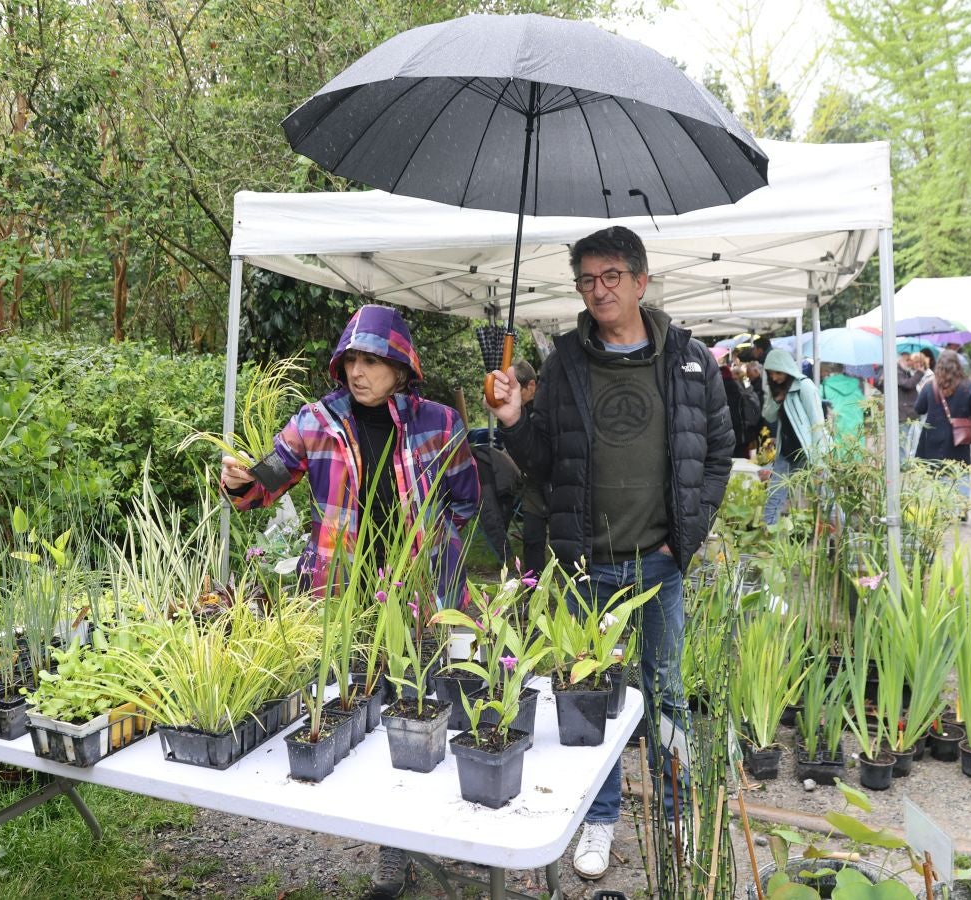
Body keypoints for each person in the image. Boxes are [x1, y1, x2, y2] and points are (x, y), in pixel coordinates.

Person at [486, 225, 732, 880]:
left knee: (667, 692)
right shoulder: (564, 363)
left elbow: (718, 452)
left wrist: (691, 530)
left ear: (641, 281)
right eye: (587, 280)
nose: (599, 290)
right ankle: (599, 818)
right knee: (588, 697)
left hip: (657, 561)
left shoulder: (687, 359)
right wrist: (513, 419)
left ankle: (676, 810)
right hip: (585, 565)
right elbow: (542, 463)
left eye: (611, 277)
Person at [221, 304, 480, 899]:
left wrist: (439, 555)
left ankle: (403, 844)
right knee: (357, 708)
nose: (359, 371)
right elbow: (265, 481)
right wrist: (241, 482)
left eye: (372, 360)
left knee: (415, 713)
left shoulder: (440, 423)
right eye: (351, 360)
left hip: (420, 594)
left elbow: (466, 502)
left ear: (400, 366)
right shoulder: (316, 421)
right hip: (346, 595)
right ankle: (388, 838)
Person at [760, 348, 827, 525]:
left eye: (778, 373)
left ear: (787, 368)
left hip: (808, 451)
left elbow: (817, 422)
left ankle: (836, 534)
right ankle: (768, 534)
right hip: (786, 451)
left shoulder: (805, 386)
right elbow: (769, 416)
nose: (774, 378)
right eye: (771, 374)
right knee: (775, 494)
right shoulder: (776, 389)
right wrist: (776, 400)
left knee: (823, 496)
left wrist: (819, 459)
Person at [914, 350, 971, 514]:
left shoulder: (930, 386)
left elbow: (919, 408)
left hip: (933, 437)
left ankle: (943, 508)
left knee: (939, 472)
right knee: (961, 472)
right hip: (958, 438)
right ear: (957, 366)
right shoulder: (966, 387)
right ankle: (960, 510)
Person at [512, 359, 549, 577]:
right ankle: (533, 597)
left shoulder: (549, 407)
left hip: (557, 484)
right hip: (533, 486)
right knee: (532, 541)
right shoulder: (513, 412)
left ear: (531, 386)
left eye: (516, 389)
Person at [819, 362, 865, 442]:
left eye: (821, 370)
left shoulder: (822, 388)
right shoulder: (857, 385)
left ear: (827, 371)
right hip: (857, 434)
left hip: (836, 436)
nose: (820, 374)